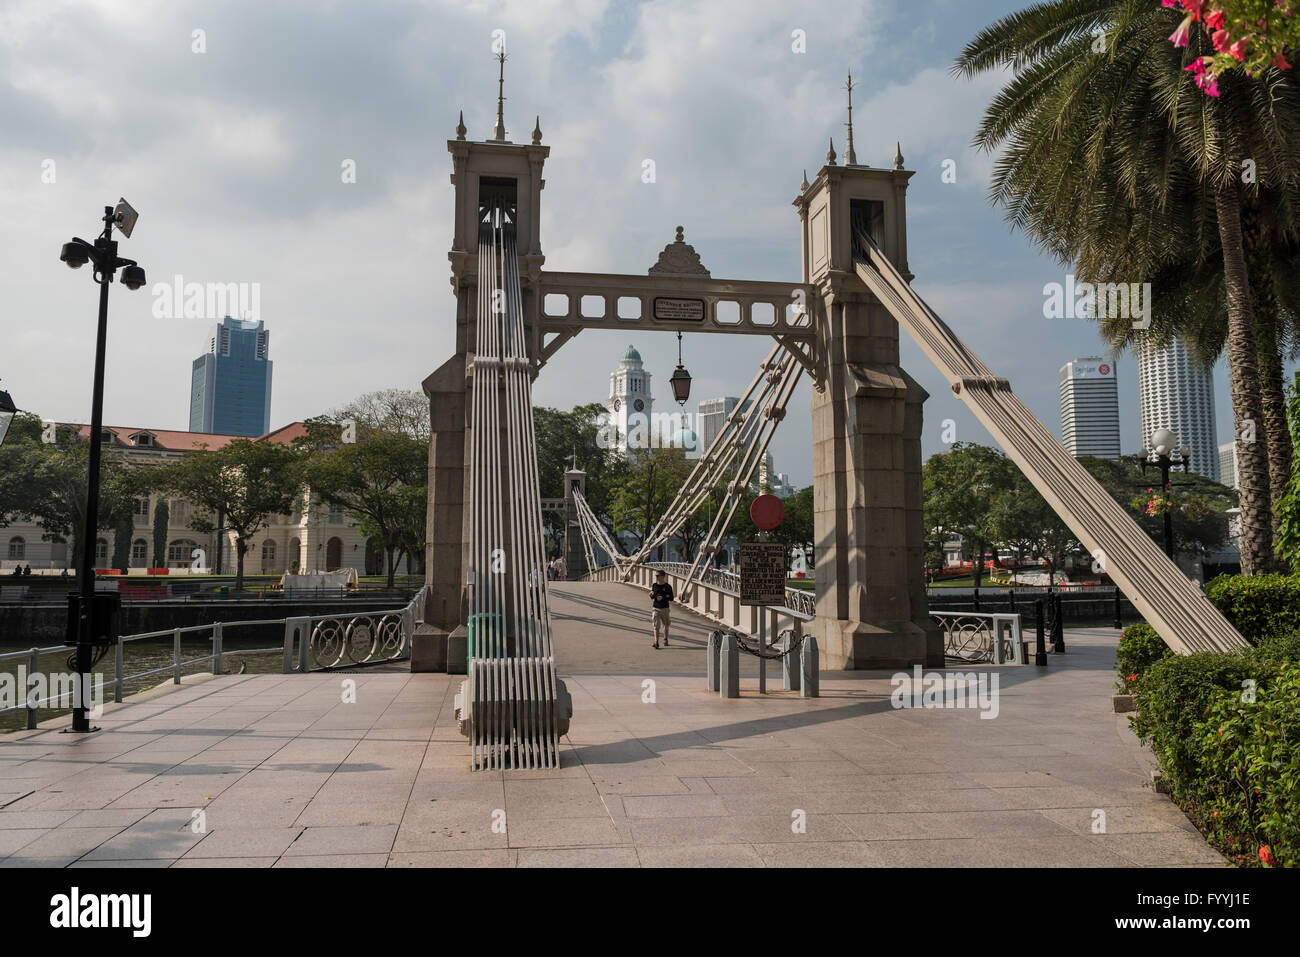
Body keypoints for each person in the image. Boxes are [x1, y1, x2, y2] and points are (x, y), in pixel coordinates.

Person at [649, 570, 674, 649]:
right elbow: (653, 596)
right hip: (656, 607)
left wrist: (663, 598)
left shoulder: (668, 586)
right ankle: (656, 642)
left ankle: (665, 639)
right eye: (655, 576)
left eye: (657, 576)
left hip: (665, 608)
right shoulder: (654, 585)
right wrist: (651, 595)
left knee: (666, 625)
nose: (656, 577)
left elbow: (671, 598)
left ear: (663, 576)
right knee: (656, 626)